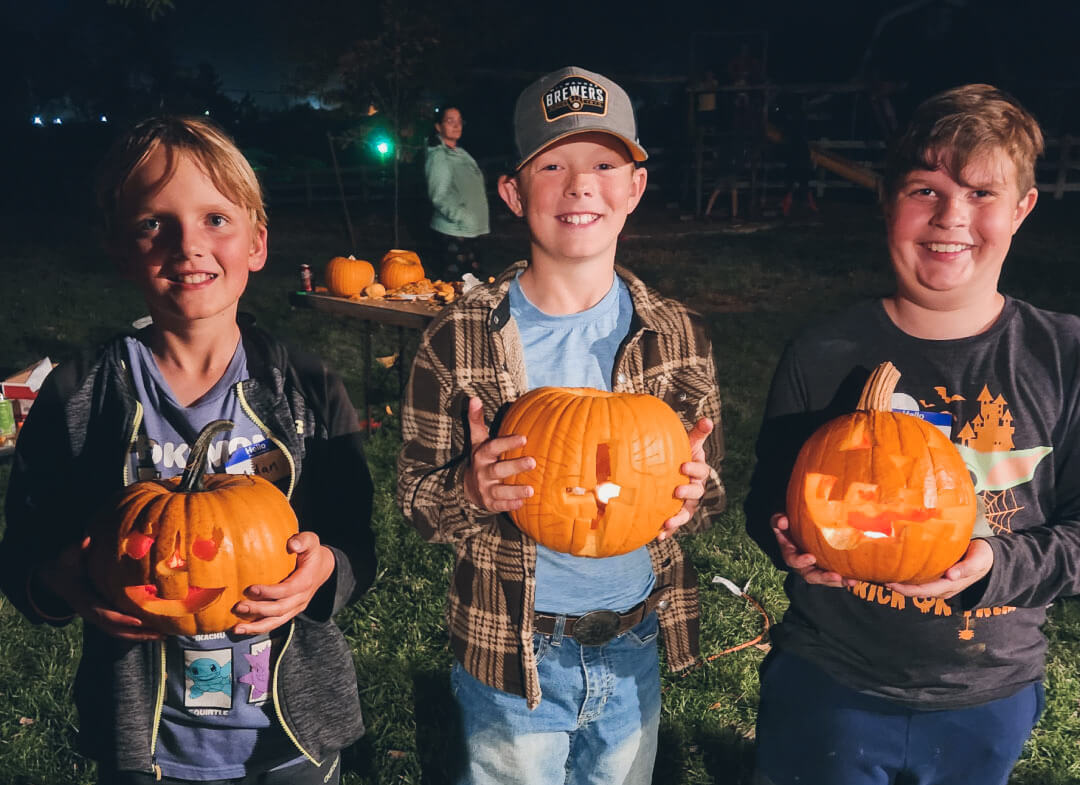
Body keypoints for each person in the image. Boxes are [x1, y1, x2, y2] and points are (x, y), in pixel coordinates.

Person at [0, 116, 376, 784]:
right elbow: (23, 546)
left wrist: (326, 570)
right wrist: (57, 579)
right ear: (120, 248)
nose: (187, 246)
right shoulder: (79, 393)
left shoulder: (309, 387)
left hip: (289, 738)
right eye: (154, 223)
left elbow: (357, 542)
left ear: (257, 242)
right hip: (145, 742)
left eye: (215, 220)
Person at [397, 66, 725, 785]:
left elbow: (707, 494)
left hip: (634, 639)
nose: (580, 185)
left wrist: (697, 495)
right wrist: (470, 489)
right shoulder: (456, 339)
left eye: (604, 164)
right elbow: (416, 503)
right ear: (513, 192)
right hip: (513, 651)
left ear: (634, 187)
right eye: (553, 164)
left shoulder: (680, 338)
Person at [744, 84, 1065, 785]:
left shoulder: (1063, 357)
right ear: (888, 200)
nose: (952, 216)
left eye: (982, 193)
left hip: (988, 691)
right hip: (830, 677)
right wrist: (785, 534)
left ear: (1022, 209)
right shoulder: (822, 352)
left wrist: (991, 567)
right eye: (926, 188)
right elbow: (770, 498)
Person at [425, 105, 490, 279]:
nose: (456, 125)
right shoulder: (439, 156)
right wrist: (462, 216)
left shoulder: (461, 153)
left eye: (459, 121)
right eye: (450, 121)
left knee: (475, 286)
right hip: (454, 233)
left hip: (472, 231)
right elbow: (439, 195)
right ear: (438, 127)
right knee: (456, 288)